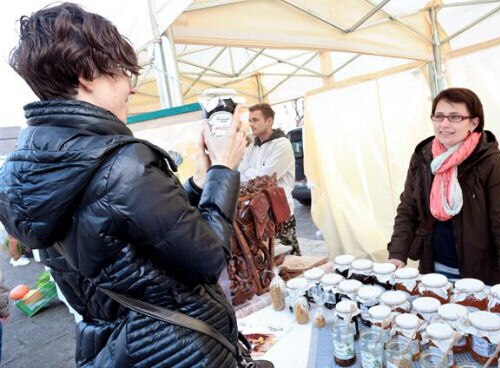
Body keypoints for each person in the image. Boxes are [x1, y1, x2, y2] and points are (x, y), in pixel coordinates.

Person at [0, 3, 251, 367]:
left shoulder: (31, 170)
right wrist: (224, 169)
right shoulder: (121, 163)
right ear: (86, 75)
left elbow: (150, 238)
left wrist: (200, 179)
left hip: (114, 346)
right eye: (120, 72)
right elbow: (208, 258)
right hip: (175, 349)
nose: (131, 87)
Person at [387, 88, 500, 294]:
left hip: (479, 276)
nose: (444, 124)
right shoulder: (423, 157)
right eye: (439, 116)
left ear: (473, 123)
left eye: (455, 117)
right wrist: (397, 254)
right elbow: (408, 210)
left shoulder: (490, 162)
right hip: (433, 271)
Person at [238, 103, 301, 255]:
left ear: (269, 121)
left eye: (255, 120)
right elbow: (240, 174)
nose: (251, 124)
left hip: (280, 211)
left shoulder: (282, 144)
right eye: (250, 120)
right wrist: (256, 174)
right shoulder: (253, 147)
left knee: (289, 257)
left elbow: (266, 178)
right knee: (269, 259)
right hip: (259, 214)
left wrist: (252, 174)